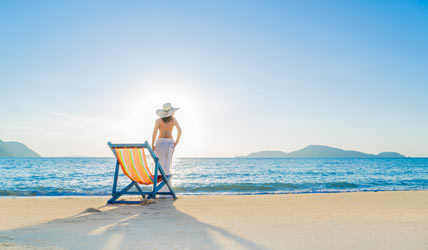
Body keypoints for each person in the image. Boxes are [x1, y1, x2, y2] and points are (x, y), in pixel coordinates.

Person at [151, 103, 182, 197]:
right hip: (169, 143)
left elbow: (155, 132)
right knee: (167, 166)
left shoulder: (158, 121)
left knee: (159, 166)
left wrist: (152, 144)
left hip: (160, 143)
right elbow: (180, 131)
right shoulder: (173, 120)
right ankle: (167, 192)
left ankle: (159, 191)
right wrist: (176, 142)